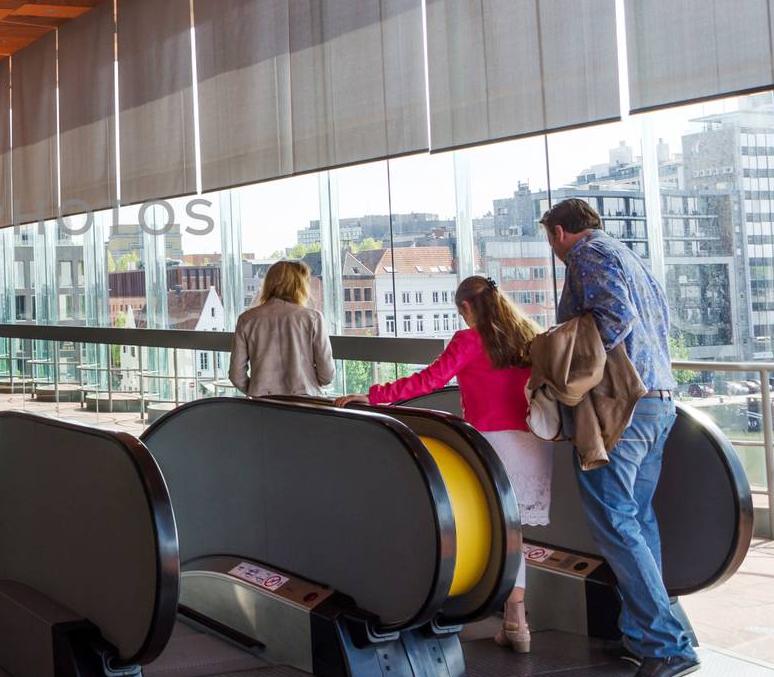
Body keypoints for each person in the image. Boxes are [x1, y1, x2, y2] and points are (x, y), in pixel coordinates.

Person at [341, 276, 551, 653]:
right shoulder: (529, 337)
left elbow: (429, 380)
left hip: (492, 442)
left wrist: (374, 396)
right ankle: (517, 622)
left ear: (467, 307)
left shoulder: (469, 340)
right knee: (517, 534)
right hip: (532, 443)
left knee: (492, 531)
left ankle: (477, 610)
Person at [542, 197, 698, 677]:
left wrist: (573, 366)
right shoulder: (631, 256)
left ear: (560, 232)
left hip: (621, 407)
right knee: (637, 521)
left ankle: (667, 645)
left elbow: (614, 316)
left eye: (552, 240)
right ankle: (645, 636)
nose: (555, 250)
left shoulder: (589, 254)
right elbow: (659, 322)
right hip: (658, 402)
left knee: (614, 521)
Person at [229, 260, 335, 397]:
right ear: (299, 285)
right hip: (306, 403)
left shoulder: (247, 319)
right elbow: (327, 375)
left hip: (263, 405)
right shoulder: (312, 318)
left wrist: (256, 389)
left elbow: (236, 375)